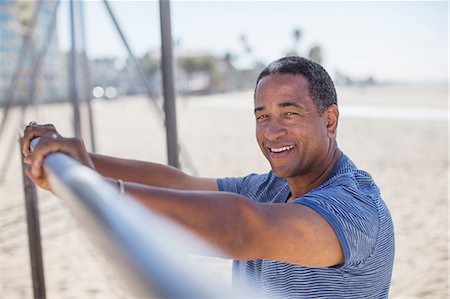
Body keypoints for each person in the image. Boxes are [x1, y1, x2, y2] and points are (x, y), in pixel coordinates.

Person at [22, 56, 395, 298]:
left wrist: (98, 191)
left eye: (290, 113)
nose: (271, 132)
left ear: (329, 120)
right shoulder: (274, 186)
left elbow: (243, 230)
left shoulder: (355, 208)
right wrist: (81, 163)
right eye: (262, 116)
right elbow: (176, 184)